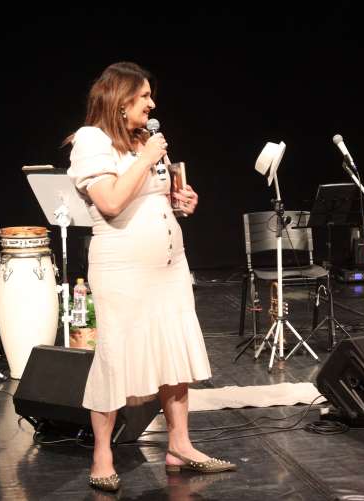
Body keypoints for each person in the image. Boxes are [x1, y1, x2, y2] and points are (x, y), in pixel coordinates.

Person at [66, 62, 235, 492]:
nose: (152, 104)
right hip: (123, 270)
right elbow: (110, 202)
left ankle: (179, 445)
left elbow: (155, 197)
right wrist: (145, 159)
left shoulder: (145, 141)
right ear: (121, 101)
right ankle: (102, 454)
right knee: (115, 356)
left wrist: (182, 202)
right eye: (144, 96)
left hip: (170, 267)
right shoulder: (91, 140)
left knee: (173, 352)